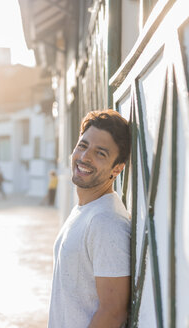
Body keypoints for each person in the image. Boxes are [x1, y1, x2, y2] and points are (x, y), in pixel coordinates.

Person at [48, 109, 131, 328]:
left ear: (117, 168)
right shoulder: (85, 210)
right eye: (83, 146)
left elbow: (113, 313)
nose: (85, 157)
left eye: (100, 153)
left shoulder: (106, 222)